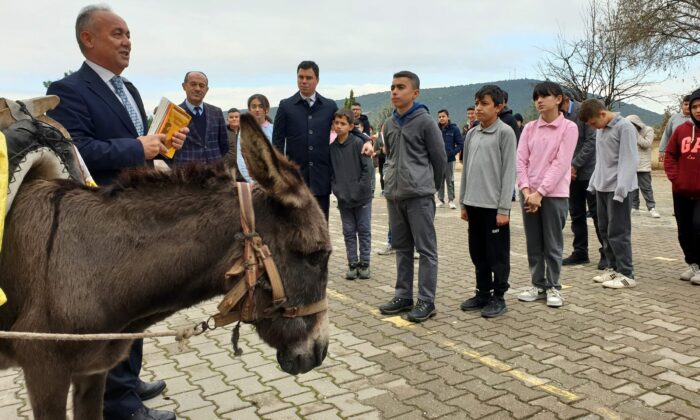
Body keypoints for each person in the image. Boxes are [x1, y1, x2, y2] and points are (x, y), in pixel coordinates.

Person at [46, 5, 186, 420]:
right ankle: (119, 403)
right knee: (115, 310)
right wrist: (137, 147)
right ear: (88, 39)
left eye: (129, 35)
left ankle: (129, 379)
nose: (127, 42)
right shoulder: (69, 90)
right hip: (102, 219)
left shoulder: (131, 90)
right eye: (117, 34)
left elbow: (137, 143)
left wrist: (163, 143)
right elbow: (75, 150)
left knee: (136, 303)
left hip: (134, 213)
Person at [377, 71, 447, 323]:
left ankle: (426, 301)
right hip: (395, 196)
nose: (395, 91)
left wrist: (430, 187)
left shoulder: (426, 122)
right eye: (393, 87)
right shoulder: (389, 123)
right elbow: (389, 157)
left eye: (401, 87)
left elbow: (439, 159)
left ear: (415, 93)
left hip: (419, 196)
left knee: (426, 250)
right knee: (402, 248)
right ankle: (403, 296)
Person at [272, 61, 373, 220]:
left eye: (308, 78)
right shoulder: (286, 106)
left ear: (317, 80)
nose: (304, 81)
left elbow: (346, 126)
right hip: (296, 178)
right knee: (296, 224)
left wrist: (366, 140)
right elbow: (277, 142)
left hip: (321, 176)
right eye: (300, 77)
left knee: (320, 224)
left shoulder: (328, 105)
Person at [516, 81, 578, 308]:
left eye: (545, 96)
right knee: (534, 242)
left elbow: (561, 163)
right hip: (529, 193)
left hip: (554, 194)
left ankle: (554, 286)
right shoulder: (529, 128)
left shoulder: (568, 128)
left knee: (552, 242)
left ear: (559, 99)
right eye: (536, 97)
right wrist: (525, 190)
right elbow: (521, 160)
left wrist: (540, 192)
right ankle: (537, 284)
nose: (539, 101)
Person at [458, 85, 517, 318]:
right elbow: (466, 171)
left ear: (499, 106)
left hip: (494, 207)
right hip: (473, 204)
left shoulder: (505, 133)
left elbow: (508, 172)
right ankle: (482, 292)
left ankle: (499, 296)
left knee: (497, 255)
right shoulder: (472, 134)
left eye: (484, 104)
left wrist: (504, 209)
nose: (478, 108)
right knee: (478, 252)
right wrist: (463, 202)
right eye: (477, 103)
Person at [579, 99, 639, 289]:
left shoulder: (625, 127)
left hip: (618, 189)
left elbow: (629, 160)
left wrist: (621, 188)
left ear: (603, 114)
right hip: (602, 187)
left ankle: (627, 273)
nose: (593, 127)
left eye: (593, 122)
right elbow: (601, 160)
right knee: (604, 229)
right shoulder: (600, 130)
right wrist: (593, 183)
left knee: (618, 231)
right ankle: (613, 268)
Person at [560, 91, 607, 269]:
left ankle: (606, 252)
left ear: (563, 98)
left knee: (597, 214)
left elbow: (591, 142)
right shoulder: (559, 116)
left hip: (588, 171)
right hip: (570, 174)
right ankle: (580, 252)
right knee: (576, 213)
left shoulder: (583, 111)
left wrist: (575, 165)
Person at [330, 109, 373, 280]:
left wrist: (360, 189)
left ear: (350, 126)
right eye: (336, 123)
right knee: (348, 231)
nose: (339, 126)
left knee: (363, 230)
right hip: (344, 198)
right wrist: (337, 189)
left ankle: (365, 263)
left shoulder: (358, 143)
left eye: (343, 124)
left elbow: (367, 170)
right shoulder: (331, 148)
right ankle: (352, 263)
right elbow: (332, 173)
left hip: (361, 197)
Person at [664, 88, 700, 284]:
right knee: (684, 231)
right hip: (681, 191)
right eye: (695, 106)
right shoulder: (681, 130)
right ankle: (693, 264)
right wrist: (676, 179)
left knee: (698, 226)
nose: (698, 110)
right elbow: (670, 156)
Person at [174, 71, 228, 164]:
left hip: (214, 172)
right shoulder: (175, 113)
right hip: (187, 173)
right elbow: (167, 149)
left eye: (202, 85)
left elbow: (224, 145)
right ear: (184, 86)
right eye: (193, 84)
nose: (198, 89)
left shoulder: (216, 112)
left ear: (207, 89)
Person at [626, 115, 661, 218]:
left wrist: (635, 134)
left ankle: (652, 208)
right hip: (631, 164)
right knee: (633, 188)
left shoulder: (648, 130)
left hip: (643, 165)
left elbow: (646, 144)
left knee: (646, 188)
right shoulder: (627, 132)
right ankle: (634, 207)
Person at [237, 94, 273, 182]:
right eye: (254, 106)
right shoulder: (244, 132)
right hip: (253, 182)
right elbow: (241, 158)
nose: (257, 109)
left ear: (267, 109)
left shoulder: (274, 129)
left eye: (261, 106)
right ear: (249, 110)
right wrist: (251, 181)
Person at [436, 109, 463, 209]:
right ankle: (440, 200)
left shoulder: (454, 129)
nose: (441, 118)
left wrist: (452, 152)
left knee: (450, 179)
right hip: (438, 160)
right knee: (439, 180)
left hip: (449, 159)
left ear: (448, 117)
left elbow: (460, 144)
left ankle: (451, 200)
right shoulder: (435, 128)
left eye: (443, 116)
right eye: (439, 117)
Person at [659, 95, 691, 162]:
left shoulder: (697, 118)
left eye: (690, 104)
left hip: (693, 153)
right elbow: (666, 135)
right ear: (682, 105)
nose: (688, 106)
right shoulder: (674, 118)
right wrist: (662, 151)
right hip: (676, 152)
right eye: (686, 104)